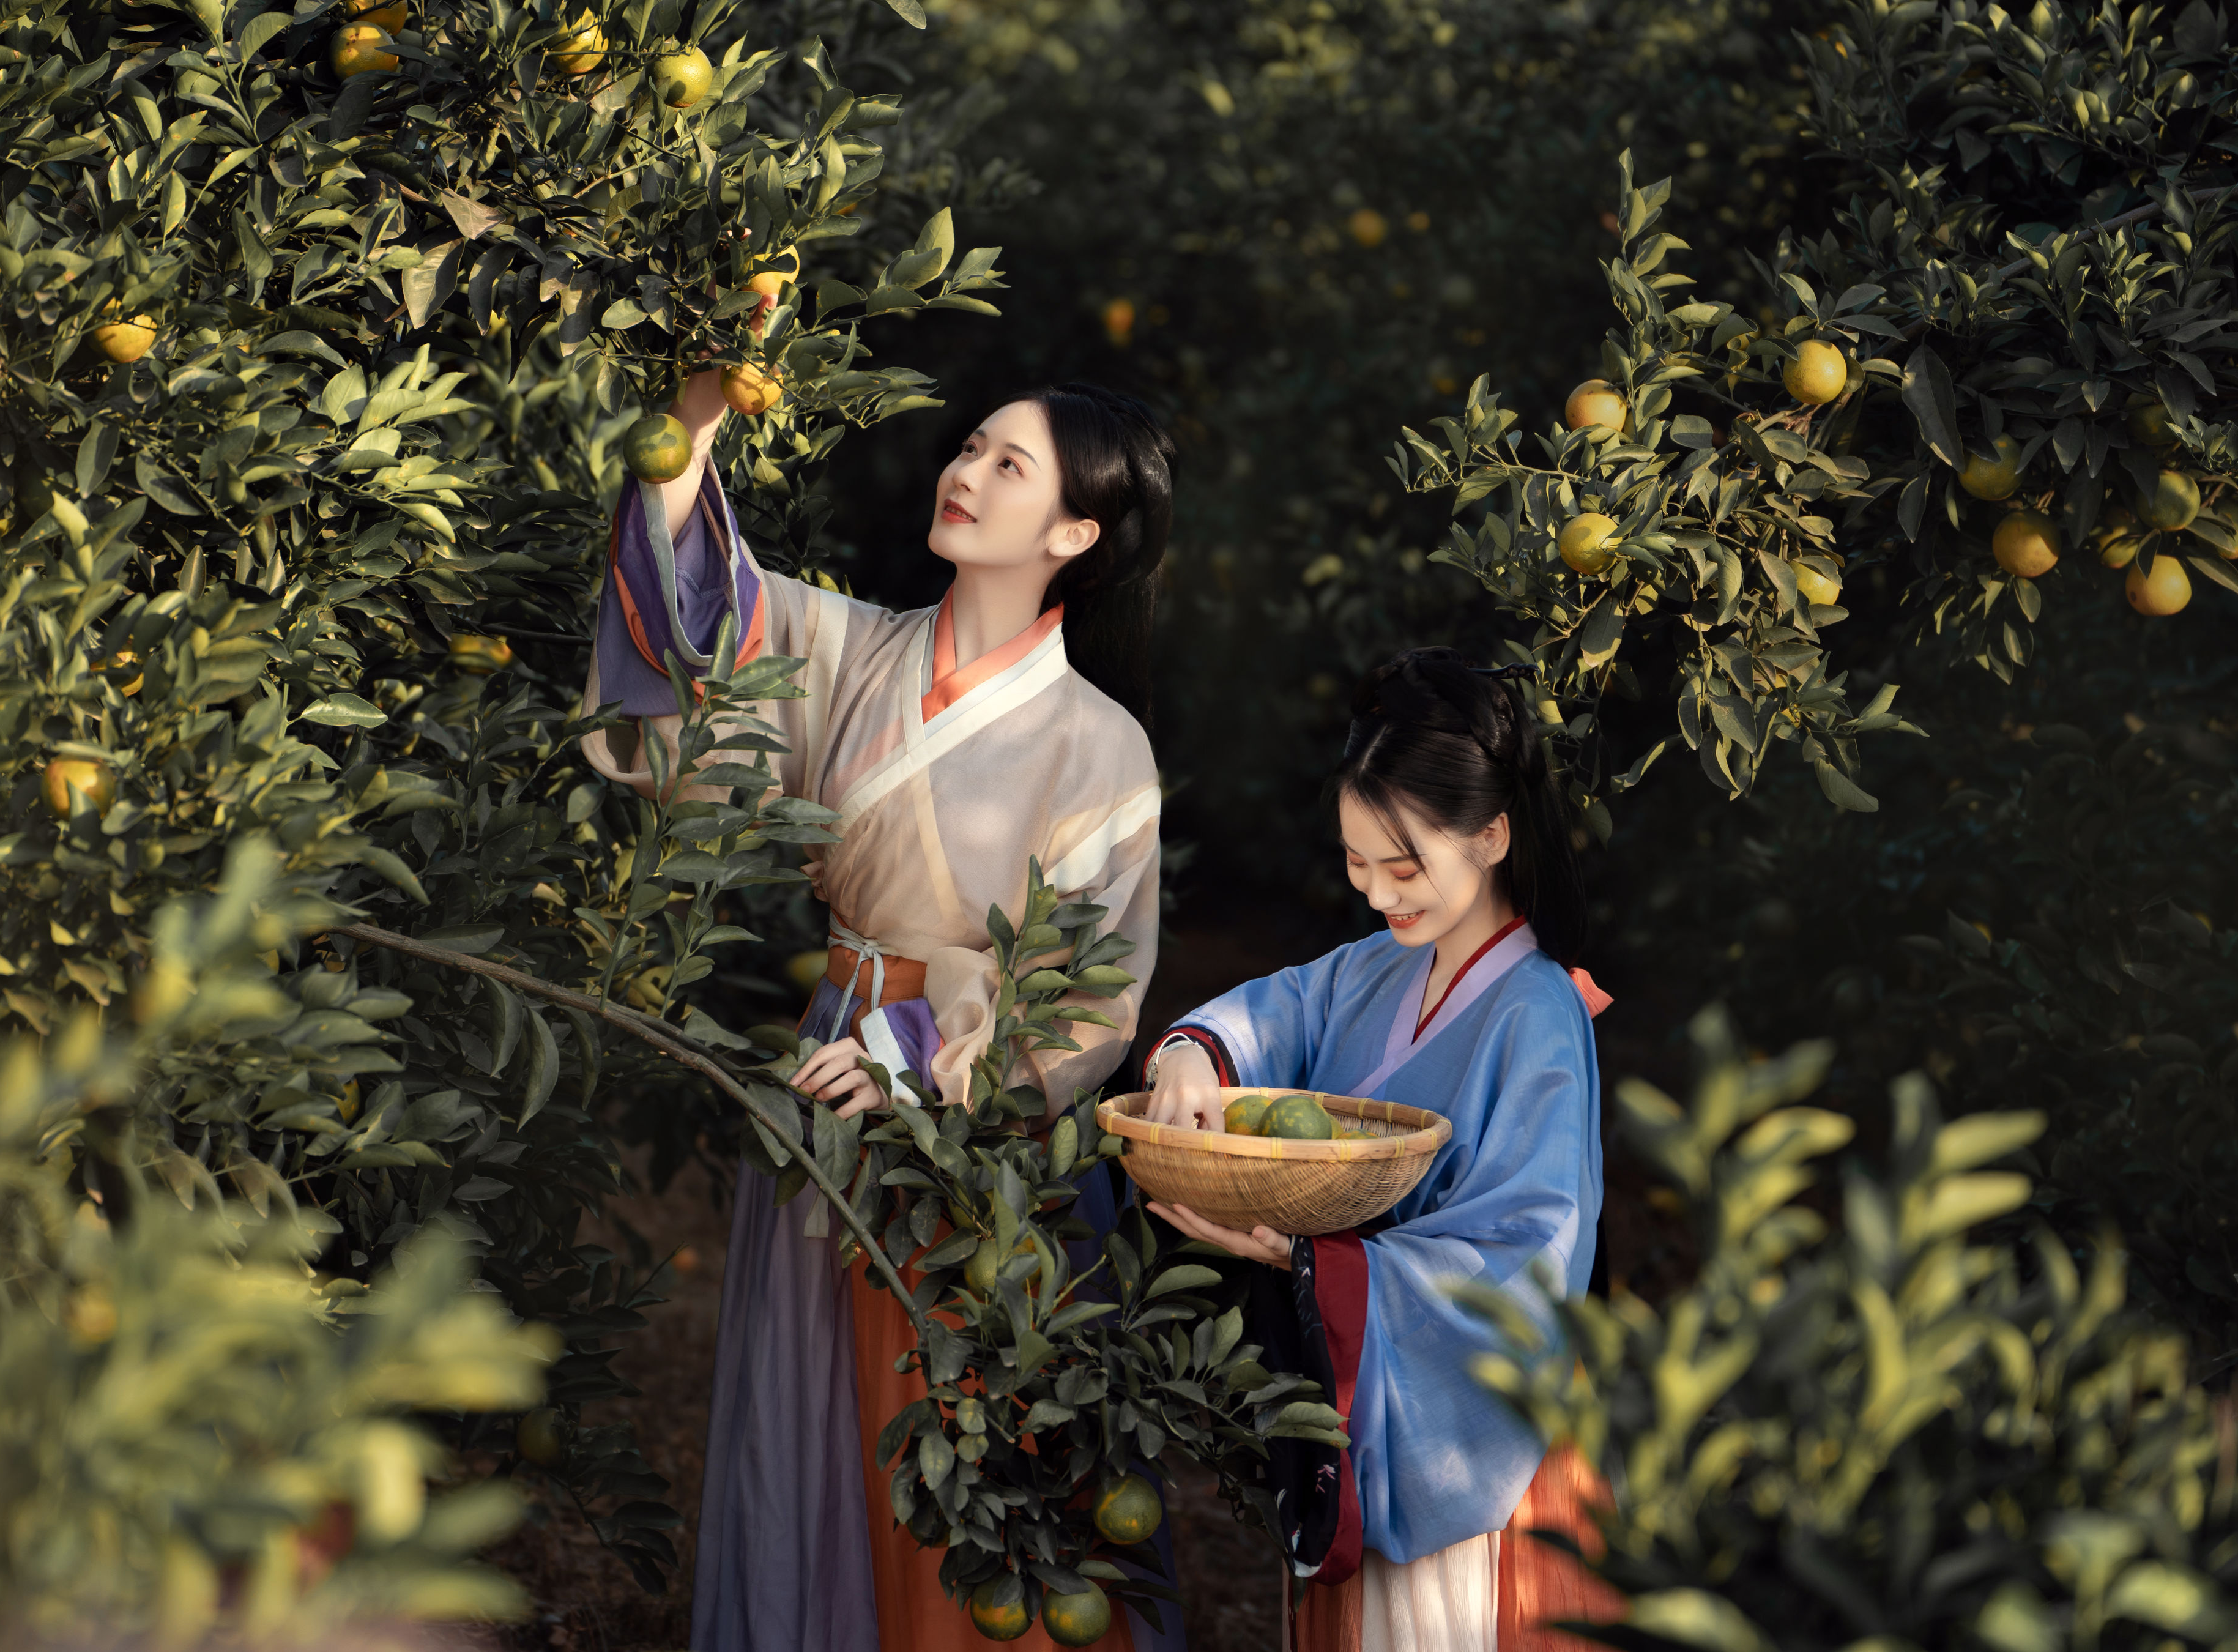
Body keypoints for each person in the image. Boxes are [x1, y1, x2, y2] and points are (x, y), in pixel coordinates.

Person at [580, 368, 1181, 1652]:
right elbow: (707, 618)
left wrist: (913, 1065)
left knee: (970, 1423)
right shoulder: (852, 650)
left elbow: (1087, 994)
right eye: (970, 447)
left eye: (1009, 466)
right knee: (811, 1414)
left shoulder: (1101, 747)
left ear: (1075, 534)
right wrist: (689, 426)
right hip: (826, 1069)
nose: (965, 472)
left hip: (970, 1118)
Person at [1141, 647, 1618, 1652]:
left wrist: (1312, 1262)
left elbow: (1530, 1251)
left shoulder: (1535, 1012)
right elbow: (1267, 1015)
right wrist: (1190, 1053)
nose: (1377, 895)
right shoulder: (1372, 967)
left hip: (1465, 1417)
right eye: (1357, 866)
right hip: (1361, 1379)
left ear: (1490, 835)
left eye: (1403, 868)